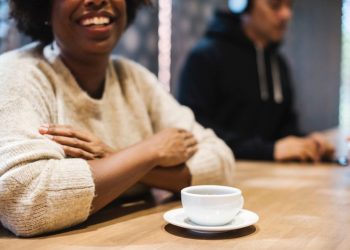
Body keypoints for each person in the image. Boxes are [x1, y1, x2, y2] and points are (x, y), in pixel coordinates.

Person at [0, 0, 235, 237]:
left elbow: (220, 163)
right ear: (44, 8)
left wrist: (113, 157)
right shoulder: (15, 73)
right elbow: (25, 202)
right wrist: (150, 152)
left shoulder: (135, 78)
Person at [177, 0, 334, 162]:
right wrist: (269, 151)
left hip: (269, 176)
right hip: (223, 177)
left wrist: (308, 142)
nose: (287, 14)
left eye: (289, 7)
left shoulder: (278, 63)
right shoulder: (205, 57)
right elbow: (195, 130)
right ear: (243, 5)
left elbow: (284, 128)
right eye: (275, 6)